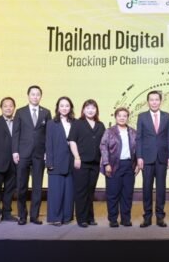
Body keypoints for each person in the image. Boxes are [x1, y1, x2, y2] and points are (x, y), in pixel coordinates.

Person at [12, 85, 51, 225]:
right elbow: (16, 133)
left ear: (41, 96)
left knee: (37, 187)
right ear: (28, 96)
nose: (35, 96)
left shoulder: (46, 112)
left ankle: (34, 216)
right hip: (23, 153)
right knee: (21, 186)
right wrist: (15, 151)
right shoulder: (20, 112)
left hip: (39, 154)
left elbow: (48, 135)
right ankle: (22, 215)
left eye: (38, 94)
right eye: (33, 94)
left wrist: (47, 152)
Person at [136, 90, 169, 228]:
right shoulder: (142, 117)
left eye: (157, 99)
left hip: (162, 157)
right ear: (148, 102)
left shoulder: (167, 116)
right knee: (147, 188)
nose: (154, 102)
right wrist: (139, 156)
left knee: (161, 188)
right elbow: (139, 138)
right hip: (146, 158)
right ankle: (147, 217)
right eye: (151, 100)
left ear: (160, 101)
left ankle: (160, 217)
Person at [68, 99, 106, 228]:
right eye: (88, 108)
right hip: (81, 162)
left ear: (96, 110)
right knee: (81, 191)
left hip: (95, 162)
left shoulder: (100, 125)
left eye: (93, 108)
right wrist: (77, 157)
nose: (90, 110)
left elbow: (103, 144)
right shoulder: (78, 123)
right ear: (83, 110)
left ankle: (90, 217)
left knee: (90, 191)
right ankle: (82, 219)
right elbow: (72, 141)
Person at [100, 107, 139, 227]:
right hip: (113, 165)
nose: (122, 118)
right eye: (119, 116)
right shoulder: (109, 131)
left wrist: (137, 164)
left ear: (128, 118)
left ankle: (126, 219)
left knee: (127, 194)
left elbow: (138, 149)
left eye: (124, 116)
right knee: (113, 194)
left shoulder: (133, 132)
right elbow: (103, 147)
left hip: (129, 165)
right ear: (115, 117)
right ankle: (113, 219)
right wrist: (106, 163)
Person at [45, 96, 76, 225]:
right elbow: (48, 143)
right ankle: (55, 218)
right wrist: (49, 162)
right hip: (56, 162)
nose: (64, 108)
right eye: (62, 105)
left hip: (71, 162)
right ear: (58, 108)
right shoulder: (52, 123)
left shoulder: (75, 122)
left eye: (67, 106)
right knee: (56, 192)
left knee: (69, 192)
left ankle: (67, 217)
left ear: (71, 108)